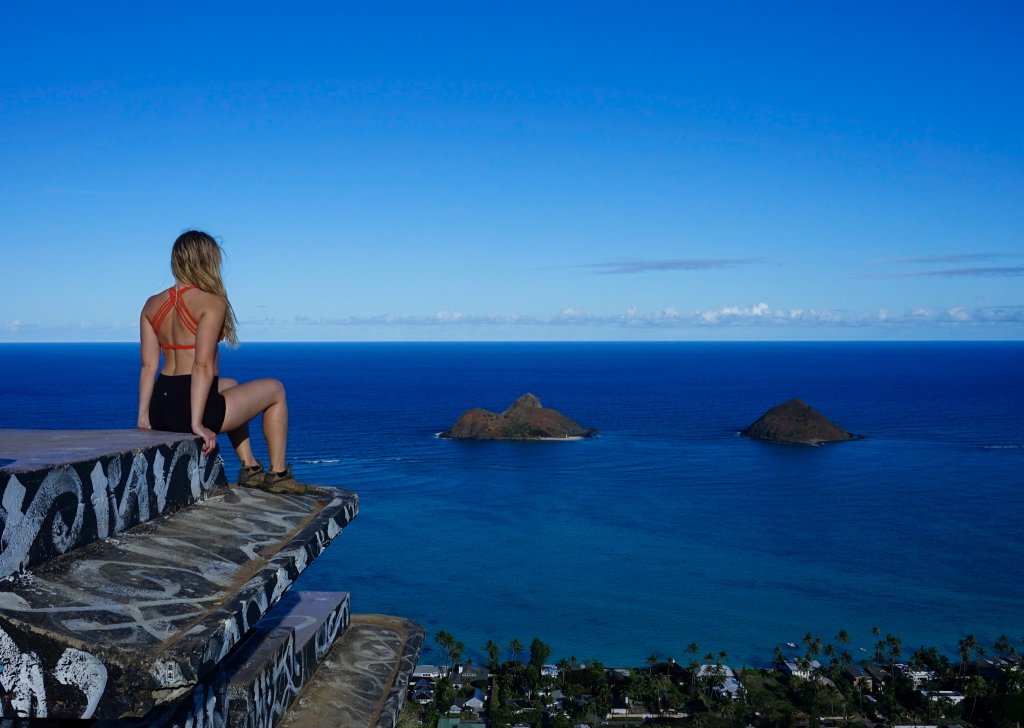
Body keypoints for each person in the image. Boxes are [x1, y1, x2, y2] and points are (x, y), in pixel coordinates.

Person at [137, 230, 305, 494]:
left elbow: (148, 366)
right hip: (190, 411)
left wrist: (144, 417)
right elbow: (202, 365)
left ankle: (250, 467)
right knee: (275, 389)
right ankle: (279, 474)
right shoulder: (211, 302)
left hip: (161, 406)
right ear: (207, 261)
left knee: (230, 384)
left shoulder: (151, 304)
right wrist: (197, 424)